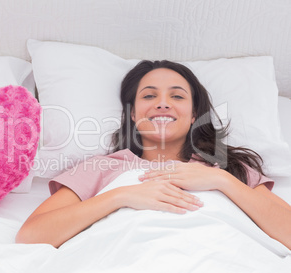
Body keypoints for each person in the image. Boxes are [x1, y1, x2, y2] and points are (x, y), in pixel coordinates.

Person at [15, 60, 291, 249]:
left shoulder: (229, 167)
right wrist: (121, 195)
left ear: (195, 114)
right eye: (148, 96)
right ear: (133, 114)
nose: (162, 104)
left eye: (177, 97)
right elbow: (31, 236)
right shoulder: (100, 167)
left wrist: (222, 181)